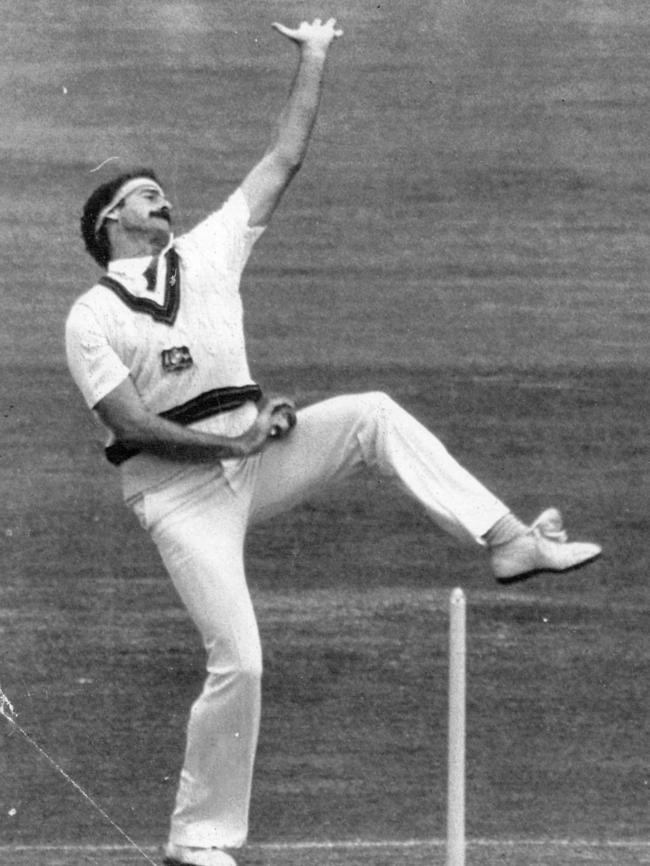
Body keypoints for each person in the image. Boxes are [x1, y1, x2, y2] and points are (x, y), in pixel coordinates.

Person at [65, 17, 601, 866]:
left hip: (251, 459)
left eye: (161, 190)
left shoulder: (207, 252)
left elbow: (284, 159)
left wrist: (315, 57)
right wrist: (235, 447)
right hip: (176, 499)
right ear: (108, 225)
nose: (161, 198)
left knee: (373, 414)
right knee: (239, 663)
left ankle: (510, 541)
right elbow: (129, 424)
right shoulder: (91, 316)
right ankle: (197, 842)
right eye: (142, 196)